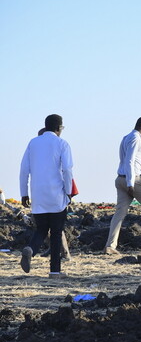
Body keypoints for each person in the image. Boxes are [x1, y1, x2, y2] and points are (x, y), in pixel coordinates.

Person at [19, 114, 73, 278]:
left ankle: (31, 249)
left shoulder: (33, 143)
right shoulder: (62, 144)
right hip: (56, 195)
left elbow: (24, 170)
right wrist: (69, 191)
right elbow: (67, 170)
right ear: (58, 128)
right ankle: (55, 271)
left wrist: (24, 194)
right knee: (56, 233)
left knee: (41, 229)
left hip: (38, 195)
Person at [104, 117, 141, 254]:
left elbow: (132, 163)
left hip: (121, 179)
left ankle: (110, 246)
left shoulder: (126, 137)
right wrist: (130, 184)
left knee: (119, 213)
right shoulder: (136, 138)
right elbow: (130, 162)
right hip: (132, 181)